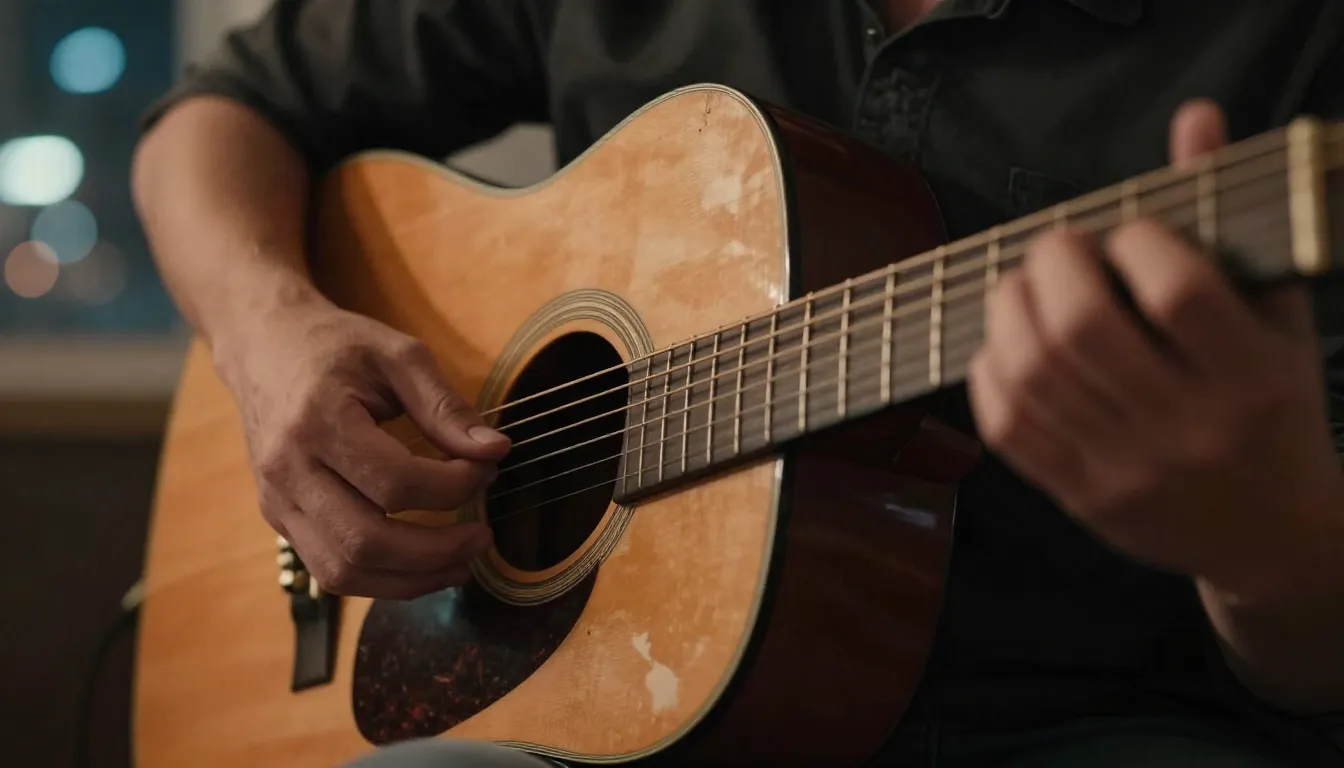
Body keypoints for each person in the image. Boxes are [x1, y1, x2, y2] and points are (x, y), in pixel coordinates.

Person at [131, 1, 1344, 765]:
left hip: (1100, 722)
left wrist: (1269, 544)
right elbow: (221, 115)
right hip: (591, 724)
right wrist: (270, 337)